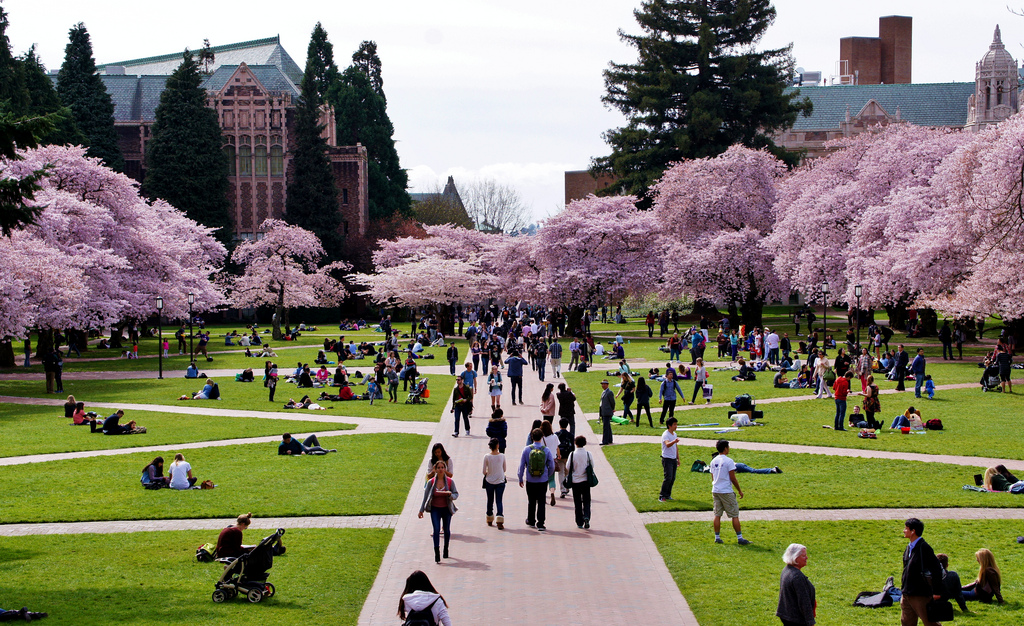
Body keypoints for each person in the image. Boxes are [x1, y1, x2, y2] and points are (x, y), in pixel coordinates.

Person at [900, 517, 944, 625]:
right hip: (906, 593)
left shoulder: (924, 548)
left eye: (906, 528)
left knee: (930, 622)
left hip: (920, 594)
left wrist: (937, 591)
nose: (904, 530)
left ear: (913, 531)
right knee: (906, 623)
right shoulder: (909, 547)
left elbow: (936, 569)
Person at [710, 440, 750, 545]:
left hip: (716, 490)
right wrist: (739, 490)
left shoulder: (713, 461)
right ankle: (740, 537)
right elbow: (733, 478)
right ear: (725, 448)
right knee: (734, 515)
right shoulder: (729, 461)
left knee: (717, 514)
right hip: (726, 491)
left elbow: (712, 476)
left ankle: (717, 537)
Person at [419, 460, 459, 563]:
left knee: (446, 529)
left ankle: (446, 548)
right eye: (438, 468)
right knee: (436, 529)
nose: (441, 469)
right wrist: (421, 510)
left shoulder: (450, 482)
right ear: (435, 470)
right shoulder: (431, 482)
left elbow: (456, 494)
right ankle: (437, 552)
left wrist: (450, 495)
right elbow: (425, 497)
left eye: (442, 467)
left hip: (446, 509)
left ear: (445, 469)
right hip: (435, 509)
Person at [518, 427, 555, 531]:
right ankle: (541, 523)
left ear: (532, 437)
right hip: (542, 480)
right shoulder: (546, 450)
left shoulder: (527, 449)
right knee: (542, 500)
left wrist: (520, 477)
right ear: (542, 437)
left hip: (530, 480)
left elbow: (521, 466)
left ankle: (531, 520)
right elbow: (551, 465)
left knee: (531, 500)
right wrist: (548, 475)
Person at [777, 543, 816, 626]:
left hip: (787, 615)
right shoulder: (797, 577)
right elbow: (804, 601)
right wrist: (810, 622)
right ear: (795, 557)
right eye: (803, 556)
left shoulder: (787, 570)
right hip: (796, 619)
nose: (807, 558)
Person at [566, 435, 593, 529]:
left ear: (575, 443)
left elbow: (567, 466)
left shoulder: (572, 454)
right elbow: (592, 465)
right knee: (586, 501)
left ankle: (579, 522)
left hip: (575, 481)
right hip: (585, 481)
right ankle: (586, 516)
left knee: (577, 502)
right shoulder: (588, 454)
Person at [483, 438, 507, 530]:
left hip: (489, 481)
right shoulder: (502, 456)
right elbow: (504, 469)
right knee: (499, 500)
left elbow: (484, 471)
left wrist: (489, 473)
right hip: (500, 481)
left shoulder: (486, 457)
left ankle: (489, 518)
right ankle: (500, 519)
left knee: (490, 500)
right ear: (497, 446)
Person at [659, 418, 680, 502]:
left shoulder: (674, 434)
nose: (676, 426)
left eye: (676, 424)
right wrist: (674, 441)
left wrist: (678, 458)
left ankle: (668, 495)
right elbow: (667, 444)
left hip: (673, 459)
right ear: (669, 425)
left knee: (672, 478)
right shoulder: (666, 435)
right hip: (667, 459)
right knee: (668, 477)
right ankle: (662, 495)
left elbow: (676, 447)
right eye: (674, 424)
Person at [541, 420, 561, 505]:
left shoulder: (541, 438)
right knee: (552, 479)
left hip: (543, 460)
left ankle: (543, 497)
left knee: (543, 479)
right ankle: (552, 492)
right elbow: (557, 448)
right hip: (552, 460)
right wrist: (559, 456)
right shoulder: (554, 436)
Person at [599, 379, 615, 446]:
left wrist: (611, 409)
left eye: (604, 384)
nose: (603, 385)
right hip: (604, 411)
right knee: (607, 426)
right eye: (602, 384)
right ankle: (609, 439)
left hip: (607, 412)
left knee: (605, 427)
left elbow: (612, 402)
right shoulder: (604, 392)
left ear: (607, 385)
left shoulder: (609, 392)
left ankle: (605, 441)